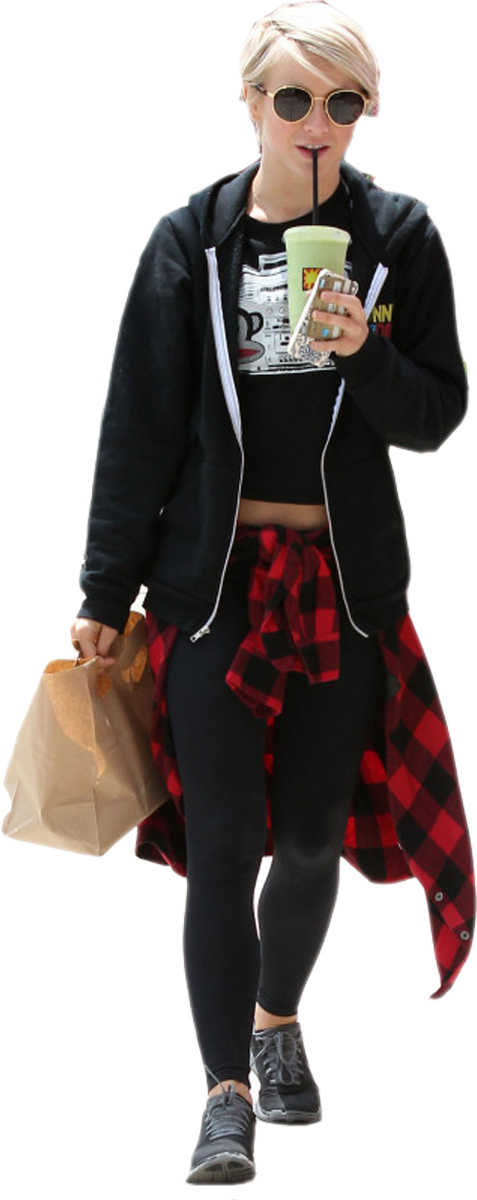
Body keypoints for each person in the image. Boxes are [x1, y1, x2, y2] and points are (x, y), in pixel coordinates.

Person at [70, 2, 474, 1186]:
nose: (315, 122)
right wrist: (104, 586)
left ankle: (276, 1019)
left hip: (341, 587)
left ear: (366, 111)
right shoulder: (189, 245)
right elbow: (139, 427)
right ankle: (225, 1096)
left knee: (306, 837)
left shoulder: (398, 240)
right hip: (215, 588)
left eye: (342, 102)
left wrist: (365, 352)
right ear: (250, 102)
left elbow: (436, 414)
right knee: (226, 842)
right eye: (293, 97)